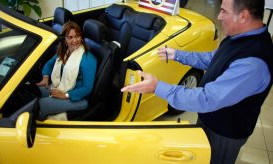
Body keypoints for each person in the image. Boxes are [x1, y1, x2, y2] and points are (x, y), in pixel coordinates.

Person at [121, 0, 273, 163]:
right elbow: (213, 59)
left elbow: (206, 99)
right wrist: (177, 55)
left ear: (243, 16)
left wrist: (156, 87)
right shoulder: (237, 37)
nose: (219, 16)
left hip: (225, 133)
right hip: (211, 118)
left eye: (223, 11)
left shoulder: (252, 64)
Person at [37, 21, 97, 120]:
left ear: (81, 37)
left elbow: (87, 88)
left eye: (77, 36)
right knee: (35, 92)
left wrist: (66, 95)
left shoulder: (88, 59)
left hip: (78, 98)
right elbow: (49, 64)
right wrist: (46, 77)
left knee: (41, 105)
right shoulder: (64, 51)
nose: (74, 40)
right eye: (70, 37)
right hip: (61, 86)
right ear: (65, 40)